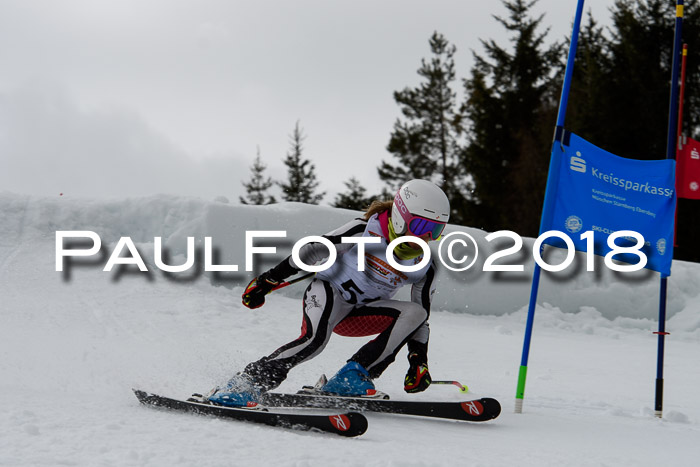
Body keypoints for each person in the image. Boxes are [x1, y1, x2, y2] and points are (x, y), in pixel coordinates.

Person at [207, 179, 450, 407]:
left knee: (416, 312)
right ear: (400, 217)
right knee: (315, 340)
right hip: (329, 294)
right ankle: (246, 383)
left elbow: (420, 321)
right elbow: (313, 250)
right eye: (421, 226)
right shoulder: (363, 231)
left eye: (436, 230)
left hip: (361, 314)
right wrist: (268, 280)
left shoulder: (424, 266)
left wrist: (419, 361)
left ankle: (352, 376)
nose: (427, 237)